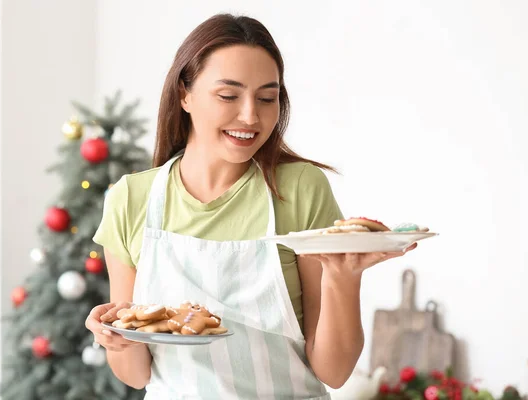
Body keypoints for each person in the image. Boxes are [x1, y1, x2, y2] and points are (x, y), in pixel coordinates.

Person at [85, 13, 415, 399]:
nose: (250, 116)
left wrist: (343, 277)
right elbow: (137, 375)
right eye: (228, 96)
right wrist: (116, 339)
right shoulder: (131, 198)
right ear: (184, 94)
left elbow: (335, 371)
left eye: (267, 98)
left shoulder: (300, 188)